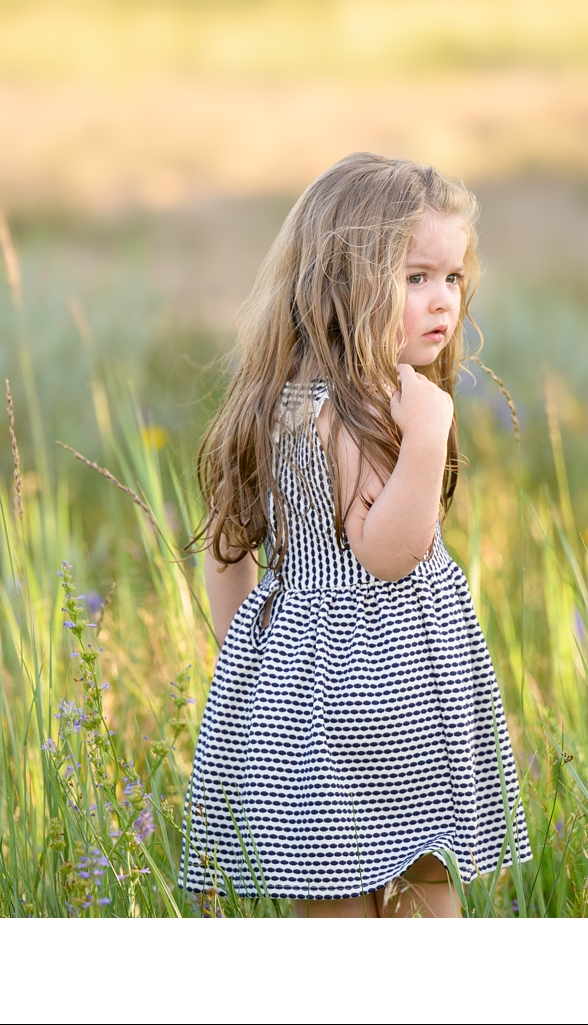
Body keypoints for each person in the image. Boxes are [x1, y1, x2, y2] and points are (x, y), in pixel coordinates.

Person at [181, 152, 531, 917]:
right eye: (416, 279)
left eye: (453, 278)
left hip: (303, 698)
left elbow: (225, 549)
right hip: (390, 707)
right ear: (346, 285)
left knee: (328, 891)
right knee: (423, 881)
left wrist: (253, 662)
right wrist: (429, 434)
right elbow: (388, 551)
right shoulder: (371, 412)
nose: (443, 301)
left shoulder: (276, 405)